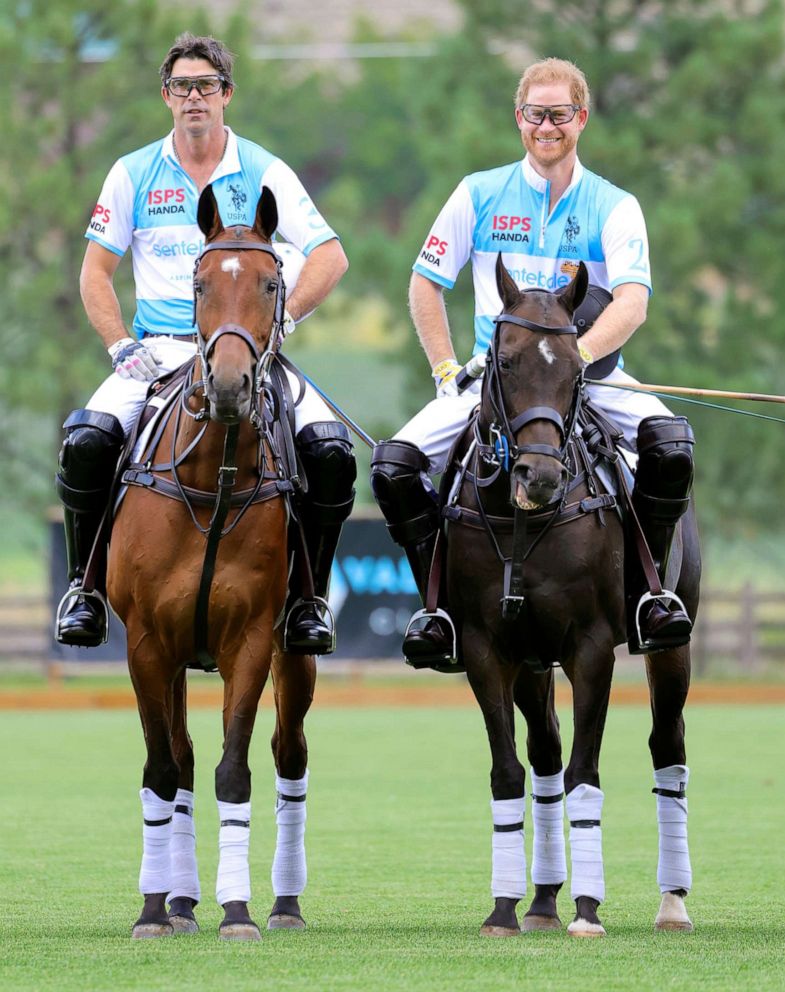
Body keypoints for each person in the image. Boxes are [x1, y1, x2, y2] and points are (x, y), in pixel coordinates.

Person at [371, 57, 694, 667]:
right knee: (392, 467)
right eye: (536, 114)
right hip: (495, 385)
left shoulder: (614, 205)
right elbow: (424, 284)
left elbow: (633, 301)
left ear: (582, 119)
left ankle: (646, 597)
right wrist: (445, 372)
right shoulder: (479, 192)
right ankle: (439, 609)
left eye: (560, 114)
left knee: (672, 445)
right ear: (519, 119)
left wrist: (578, 358)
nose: (548, 126)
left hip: (589, 379)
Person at [55, 32, 356, 655]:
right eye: (183, 87)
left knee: (329, 451)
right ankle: (83, 589)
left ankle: (308, 598)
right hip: (159, 350)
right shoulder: (132, 172)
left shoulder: (265, 169)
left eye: (207, 86)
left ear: (227, 96)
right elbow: (95, 274)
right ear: (167, 97)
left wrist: (285, 321)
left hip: (247, 351)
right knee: (86, 440)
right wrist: (118, 345)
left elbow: (330, 256)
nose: (195, 97)